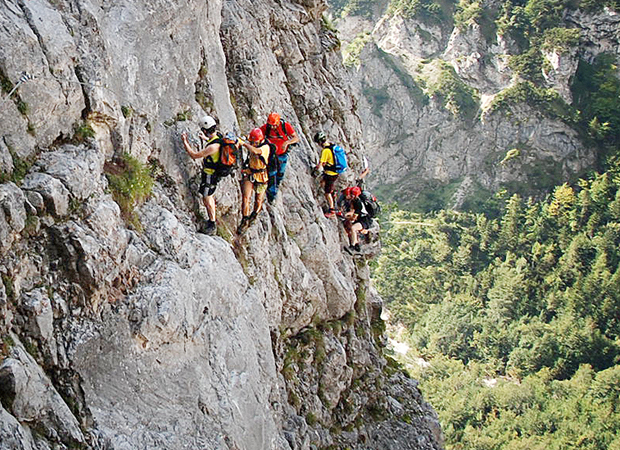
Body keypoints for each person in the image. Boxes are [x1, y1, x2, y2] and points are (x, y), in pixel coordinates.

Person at [181, 115, 222, 235]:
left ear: (205, 130)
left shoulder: (212, 148)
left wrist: (185, 142)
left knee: (207, 197)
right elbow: (213, 141)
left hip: (210, 175)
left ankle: (212, 223)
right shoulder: (218, 137)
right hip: (214, 173)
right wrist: (204, 138)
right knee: (210, 195)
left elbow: (194, 155)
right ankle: (212, 219)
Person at [238, 127, 272, 233]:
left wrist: (244, 144)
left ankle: (255, 213)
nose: (253, 144)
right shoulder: (254, 142)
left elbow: (256, 151)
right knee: (246, 198)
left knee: (258, 199)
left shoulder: (265, 147)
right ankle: (245, 220)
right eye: (252, 142)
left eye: (255, 142)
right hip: (251, 172)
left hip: (262, 175)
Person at [261, 112, 299, 203]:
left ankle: (276, 185)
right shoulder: (266, 127)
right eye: (271, 125)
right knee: (272, 174)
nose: (272, 127)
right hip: (271, 155)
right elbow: (259, 134)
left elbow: (296, 138)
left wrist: (287, 143)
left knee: (280, 173)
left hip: (282, 154)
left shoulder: (285, 126)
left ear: (278, 122)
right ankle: (271, 194)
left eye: (274, 125)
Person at [313, 131, 346, 218]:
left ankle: (332, 210)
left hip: (330, 174)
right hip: (335, 173)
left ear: (320, 142)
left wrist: (315, 168)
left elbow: (321, 164)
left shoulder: (326, 151)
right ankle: (332, 193)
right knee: (323, 183)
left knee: (327, 193)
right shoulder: (332, 146)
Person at [342, 186, 371, 254]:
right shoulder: (355, 200)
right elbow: (352, 211)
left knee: (353, 228)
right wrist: (345, 214)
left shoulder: (359, 204)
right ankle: (357, 245)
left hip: (365, 220)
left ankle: (352, 246)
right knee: (353, 227)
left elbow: (354, 217)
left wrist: (345, 217)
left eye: (351, 194)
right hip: (362, 218)